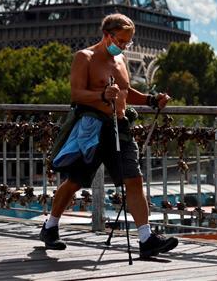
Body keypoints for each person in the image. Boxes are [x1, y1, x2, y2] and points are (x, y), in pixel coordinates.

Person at [38, 13, 178, 259]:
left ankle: (145, 238)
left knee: (134, 180)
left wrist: (150, 99)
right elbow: (77, 95)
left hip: (119, 126)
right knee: (75, 182)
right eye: (121, 41)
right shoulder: (85, 57)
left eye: (128, 43)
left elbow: (125, 91)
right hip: (91, 129)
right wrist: (102, 96)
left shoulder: (121, 59)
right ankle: (50, 227)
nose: (124, 46)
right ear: (107, 35)